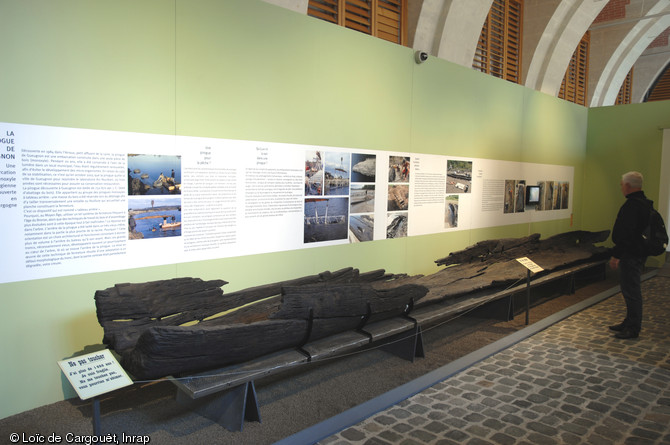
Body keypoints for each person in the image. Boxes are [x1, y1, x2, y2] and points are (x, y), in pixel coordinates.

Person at [608, 171, 651, 339]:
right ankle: (629, 321)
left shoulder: (633, 206)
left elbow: (627, 234)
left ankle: (633, 327)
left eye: (621, 184)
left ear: (627, 185)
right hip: (637, 252)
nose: (621, 187)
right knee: (630, 289)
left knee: (631, 290)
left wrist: (616, 255)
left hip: (631, 254)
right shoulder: (645, 203)